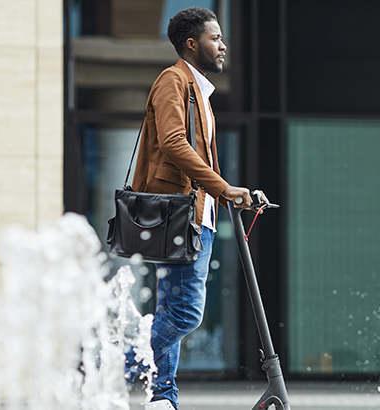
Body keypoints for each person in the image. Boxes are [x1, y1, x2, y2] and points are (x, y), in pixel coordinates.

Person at [127, 7, 267, 410]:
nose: (222, 45)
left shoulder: (199, 92)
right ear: (192, 43)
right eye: (215, 38)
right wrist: (223, 187)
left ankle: (162, 397)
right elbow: (173, 142)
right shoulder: (173, 80)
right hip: (180, 217)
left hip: (195, 214)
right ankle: (122, 360)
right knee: (187, 313)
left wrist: (228, 194)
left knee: (169, 307)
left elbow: (196, 157)